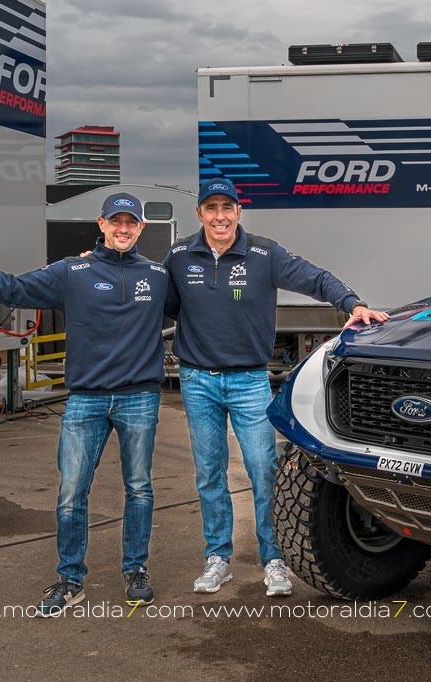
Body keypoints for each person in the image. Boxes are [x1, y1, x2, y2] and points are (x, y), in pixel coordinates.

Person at [165, 178, 387, 596]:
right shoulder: (179, 257)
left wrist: (353, 304)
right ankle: (218, 558)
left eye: (226, 207)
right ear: (199, 214)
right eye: (211, 208)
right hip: (197, 382)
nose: (219, 216)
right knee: (209, 474)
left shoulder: (265, 254)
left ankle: (275, 560)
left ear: (238, 212)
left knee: (264, 470)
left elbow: (316, 279)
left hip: (248, 381)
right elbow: (154, 304)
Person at [0, 194, 172, 615]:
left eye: (131, 222)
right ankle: (71, 579)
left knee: (139, 489)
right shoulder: (72, 271)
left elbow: (200, 308)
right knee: (72, 493)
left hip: (139, 399)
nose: (123, 228)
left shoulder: (158, 276)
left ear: (141, 228)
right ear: (102, 223)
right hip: (85, 400)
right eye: (116, 221)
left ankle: (136, 570)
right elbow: (13, 290)